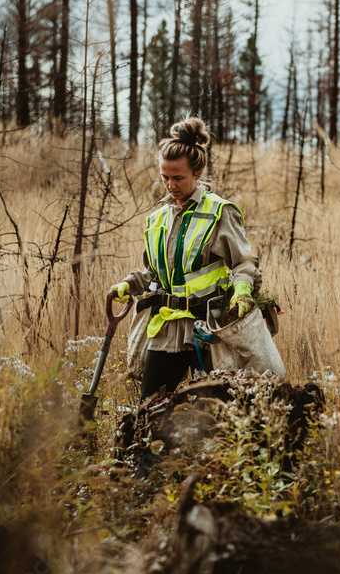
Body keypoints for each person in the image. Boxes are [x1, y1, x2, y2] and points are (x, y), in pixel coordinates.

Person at [109, 117, 261, 399]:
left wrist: (242, 290)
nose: (170, 185)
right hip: (167, 328)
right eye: (165, 177)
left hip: (211, 329)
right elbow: (155, 273)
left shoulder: (219, 213)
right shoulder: (156, 219)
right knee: (150, 407)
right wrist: (129, 285)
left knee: (214, 411)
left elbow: (244, 261)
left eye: (178, 177)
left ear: (198, 171)